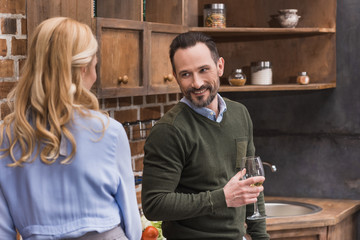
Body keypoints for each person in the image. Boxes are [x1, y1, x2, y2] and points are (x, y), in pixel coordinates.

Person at [0, 17, 142, 240]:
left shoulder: (7, 137)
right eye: (95, 66)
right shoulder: (108, 131)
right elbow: (133, 224)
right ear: (83, 68)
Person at [141, 32, 270, 239]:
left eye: (203, 70)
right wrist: (222, 198)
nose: (197, 83)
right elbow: (155, 205)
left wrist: (261, 237)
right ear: (176, 77)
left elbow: (252, 185)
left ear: (220, 66)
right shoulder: (169, 130)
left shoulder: (240, 114)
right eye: (186, 74)